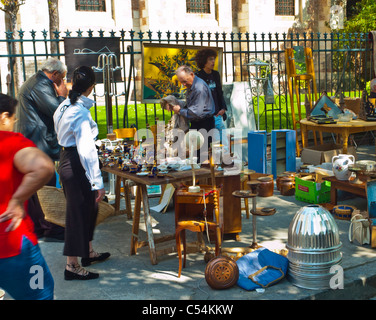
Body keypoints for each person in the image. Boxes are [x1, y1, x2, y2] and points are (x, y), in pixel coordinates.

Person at [54, 66, 109, 280]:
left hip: (68, 158)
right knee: (77, 214)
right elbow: (87, 150)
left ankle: (87, 253)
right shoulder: (79, 112)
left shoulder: (65, 106)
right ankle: (72, 266)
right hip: (75, 162)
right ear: (92, 87)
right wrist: (98, 183)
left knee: (88, 208)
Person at [0, 93, 55, 300]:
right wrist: (16, 200)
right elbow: (43, 167)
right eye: (13, 119)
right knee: (40, 293)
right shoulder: (10, 141)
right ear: (5, 117)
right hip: (11, 244)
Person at [16, 58, 68, 241]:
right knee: (47, 182)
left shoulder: (37, 82)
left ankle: (39, 226)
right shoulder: (40, 84)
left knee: (38, 185)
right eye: (61, 78)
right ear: (54, 74)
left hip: (33, 139)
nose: (62, 82)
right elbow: (58, 112)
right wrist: (62, 95)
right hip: (37, 141)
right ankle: (50, 227)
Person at [172, 65, 215, 162]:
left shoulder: (199, 88)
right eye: (181, 82)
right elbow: (192, 105)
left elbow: (196, 112)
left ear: (191, 74)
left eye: (184, 81)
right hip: (198, 123)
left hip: (204, 124)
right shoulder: (193, 85)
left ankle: (204, 176)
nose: (183, 84)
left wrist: (179, 110)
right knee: (195, 155)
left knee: (201, 157)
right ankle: (197, 176)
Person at [194, 48, 230, 155]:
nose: (213, 62)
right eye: (210, 59)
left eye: (214, 59)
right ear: (204, 61)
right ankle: (217, 164)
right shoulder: (199, 77)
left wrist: (223, 108)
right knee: (215, 142)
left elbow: (219, 92)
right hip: (209, 116)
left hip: (218, 114)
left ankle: (225, 161)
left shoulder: (215, 74)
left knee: (224, 143)